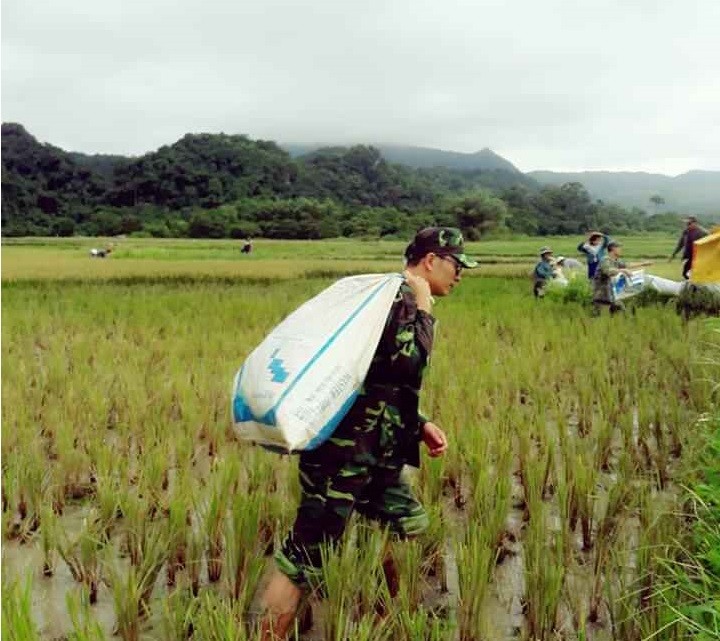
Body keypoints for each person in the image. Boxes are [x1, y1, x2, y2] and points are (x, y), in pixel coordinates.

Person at [258, 227, 478, 640]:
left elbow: (380, 381)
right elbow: (409, 366)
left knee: (407, 523)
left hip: (378, 452)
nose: (460, 274)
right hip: (341, 457)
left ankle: (389, 618)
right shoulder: (399, 301)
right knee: (305, 555)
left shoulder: (391, 300)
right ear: (431, 260)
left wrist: (419, 423)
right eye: (456, 265)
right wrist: (425, 310)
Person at [592, 241, 651, 316]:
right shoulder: (605, 260)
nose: (621, 250)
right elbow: (608, 271)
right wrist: (623, 270)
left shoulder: (616, 261)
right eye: (619, 248)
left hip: (612, 294)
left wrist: (643, 263)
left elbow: (627, 265)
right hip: (601, 295)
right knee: (599, 317)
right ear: (613, 249)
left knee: (622, 313)